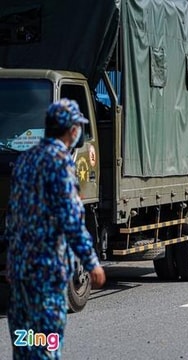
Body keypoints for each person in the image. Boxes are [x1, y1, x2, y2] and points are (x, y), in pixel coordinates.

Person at [3, 98, 106, 359]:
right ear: (71, 130)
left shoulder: (26, 160)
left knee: (25, 343)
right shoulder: (60, 162)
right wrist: (91, 262)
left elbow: (13, 217)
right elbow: (70, 219)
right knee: (47, 345)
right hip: (46, 272)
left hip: (20, 270)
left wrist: (12, 260)